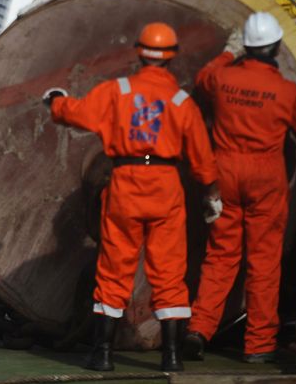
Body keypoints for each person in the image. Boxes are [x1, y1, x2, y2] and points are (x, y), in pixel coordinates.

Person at [43, 22, 220, 372]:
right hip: (166, 185)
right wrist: (211, 190)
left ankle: (103, 354)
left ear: (140, 52)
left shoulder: (118, 90)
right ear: (171, 57)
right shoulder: (182, 101)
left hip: (125, 182)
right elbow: (201, 156)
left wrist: (57, 101)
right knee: (169, 272)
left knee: (113, 269)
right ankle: (170, 358)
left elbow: (78, 115)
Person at [184, 12, 296, 363]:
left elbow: (201, 79)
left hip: (225, 172)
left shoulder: (222, 77)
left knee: (220, 256)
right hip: (265, 178)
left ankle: (199, 328)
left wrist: (227, 52)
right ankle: (258, 345)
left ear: (245, 46)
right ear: (275, 47)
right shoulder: (285, 90)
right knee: (264, 262)